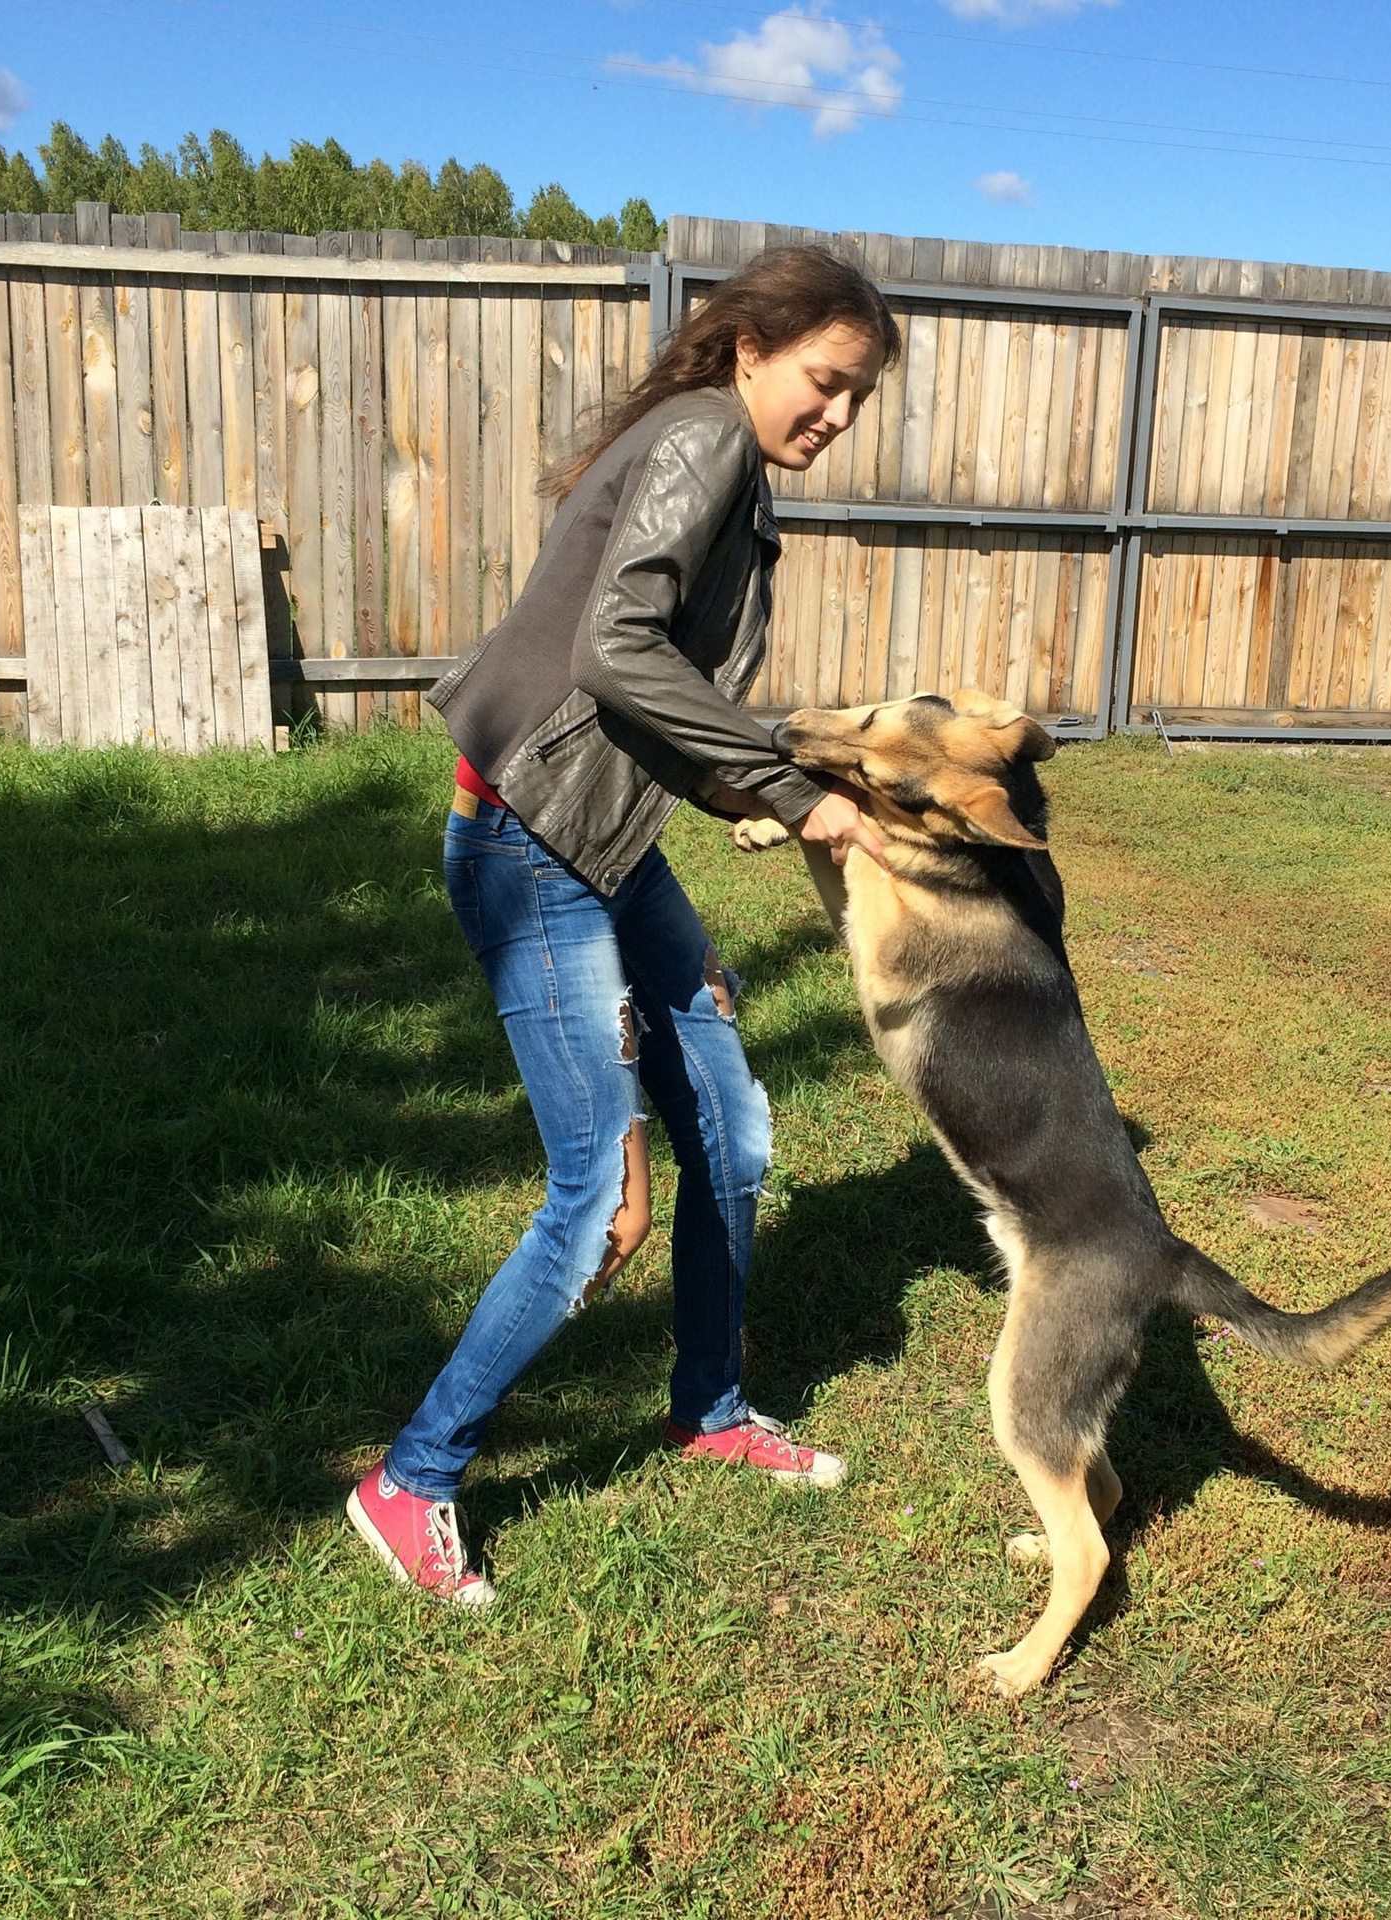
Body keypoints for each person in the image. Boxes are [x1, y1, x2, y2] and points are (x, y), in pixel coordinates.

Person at [347, 247, 902, 1605]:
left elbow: (639, 702)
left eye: (857, 397)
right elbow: (619, 650)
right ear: (753, 349)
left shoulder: (722, 456)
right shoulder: (708, 437)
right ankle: (410, 1481)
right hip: (531, 851)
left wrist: (742, 790)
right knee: (598, 1199)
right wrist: (790, 789)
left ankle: (708, 1407)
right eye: (825, 381)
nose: (836, 414)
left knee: (733, 1128)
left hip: (600, 844)